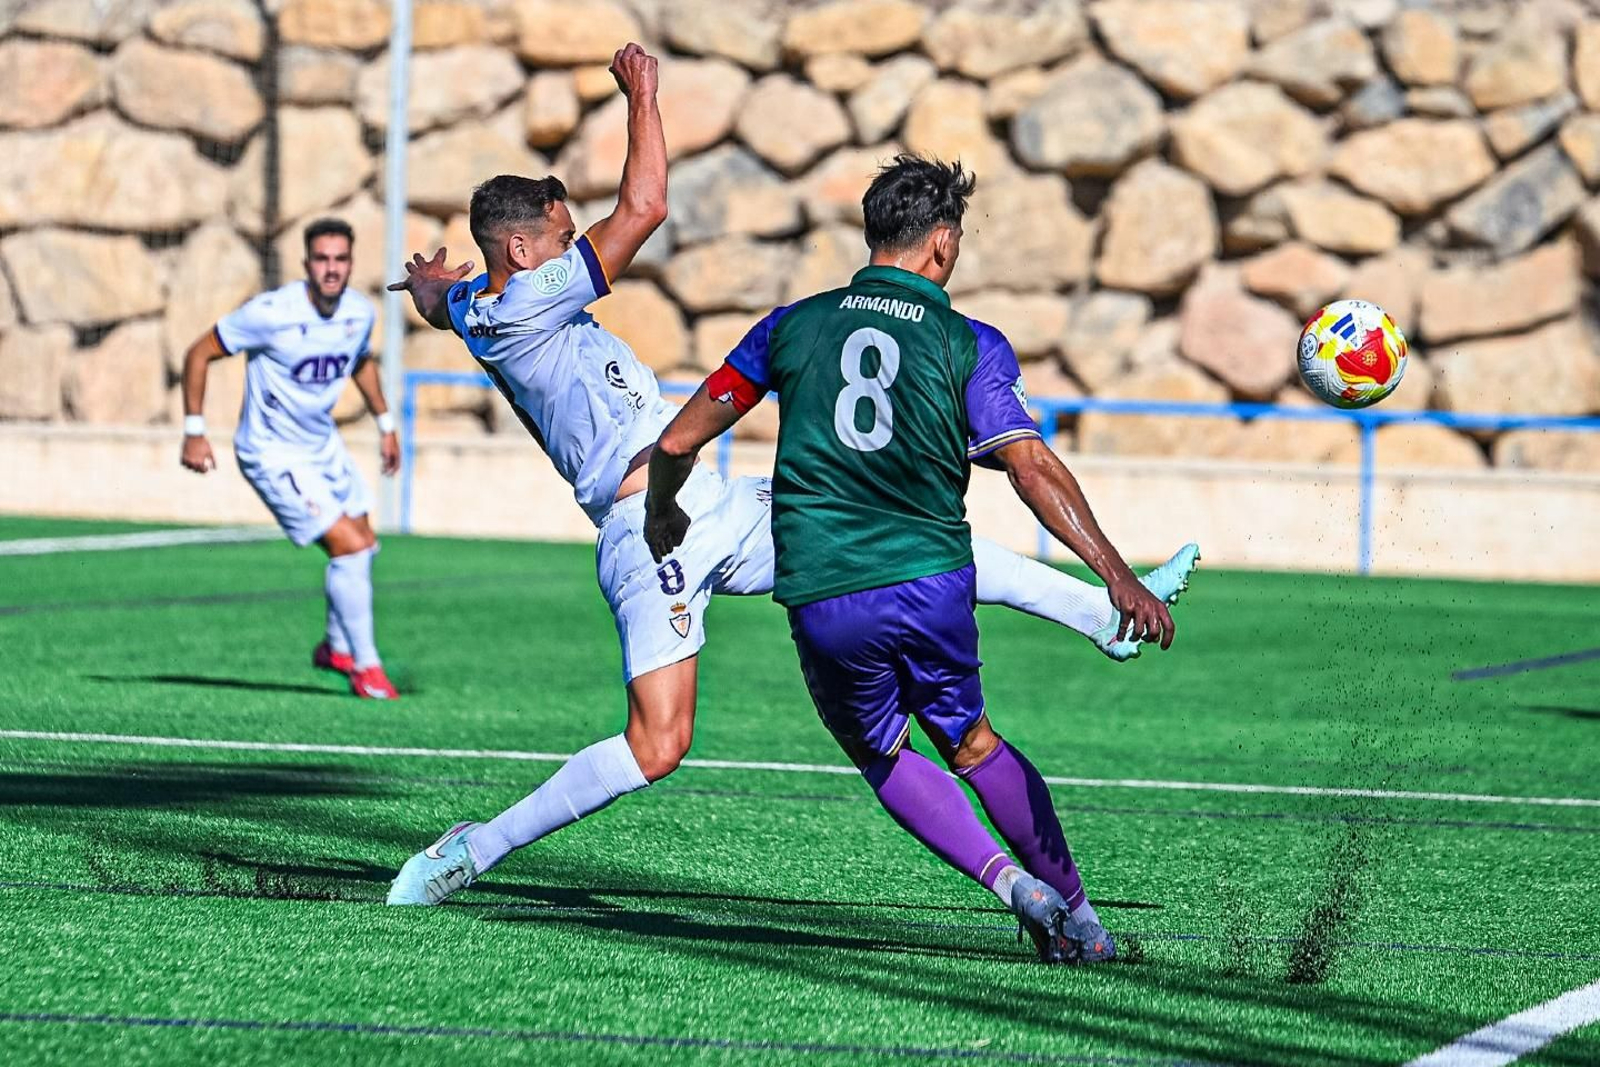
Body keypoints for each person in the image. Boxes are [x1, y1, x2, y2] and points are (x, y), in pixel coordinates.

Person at [383, 45, 1197, 907]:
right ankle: (475, 848)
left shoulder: (480, 308)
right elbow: (646, 205)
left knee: (899, 537)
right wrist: (644, 97)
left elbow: (447, 305)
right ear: (521, 246)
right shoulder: (531, 298)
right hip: (646, 528)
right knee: (658, 746)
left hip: (709, 504)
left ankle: (1101, 611)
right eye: (559, 233)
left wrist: (431, 290)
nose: (572, 244)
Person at [642, 155, 1178, 963]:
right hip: (932, 580)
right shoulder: (969, 342)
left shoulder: (791, 325)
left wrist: (662, 512)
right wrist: (1115, 572)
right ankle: (1083, 918)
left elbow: (679, 440)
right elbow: (1028, 463)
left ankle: (1009, 885)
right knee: (973, 742)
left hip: (824, 589)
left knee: (881, 748)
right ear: (940, 243)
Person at [179, 217, 401, 700]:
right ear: (306, 264)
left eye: (340, 259)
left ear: (350, 263)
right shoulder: (270, 313)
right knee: (351, 547)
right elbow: (198, 353)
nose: (331, 269)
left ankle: (336, 647)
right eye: (321, 259)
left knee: (364, 538)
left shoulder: (359, 313)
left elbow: (359, 360)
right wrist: (194, 431)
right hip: (271, 452)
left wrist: (385, 424)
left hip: (321, 445)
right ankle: (367, 668)